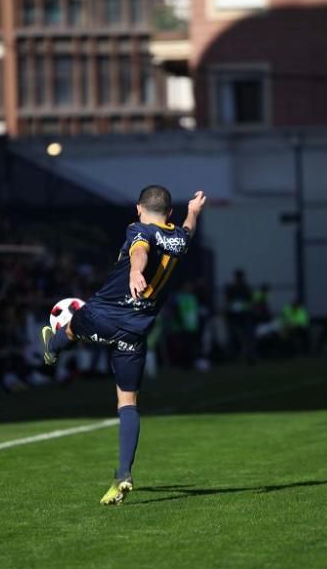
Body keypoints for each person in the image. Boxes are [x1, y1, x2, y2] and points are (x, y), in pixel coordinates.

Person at [41, 186, 206, 505]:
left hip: (103, 316)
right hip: (134, 332)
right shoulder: (180, 240)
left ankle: (54, 346)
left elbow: (140, 250)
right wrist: (194, 212)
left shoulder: (138, 229)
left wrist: (134, 272)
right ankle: (122, 475)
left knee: (75, 321)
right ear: (169, 213)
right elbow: (187, 230)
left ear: (138, 208)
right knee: (127, 403)